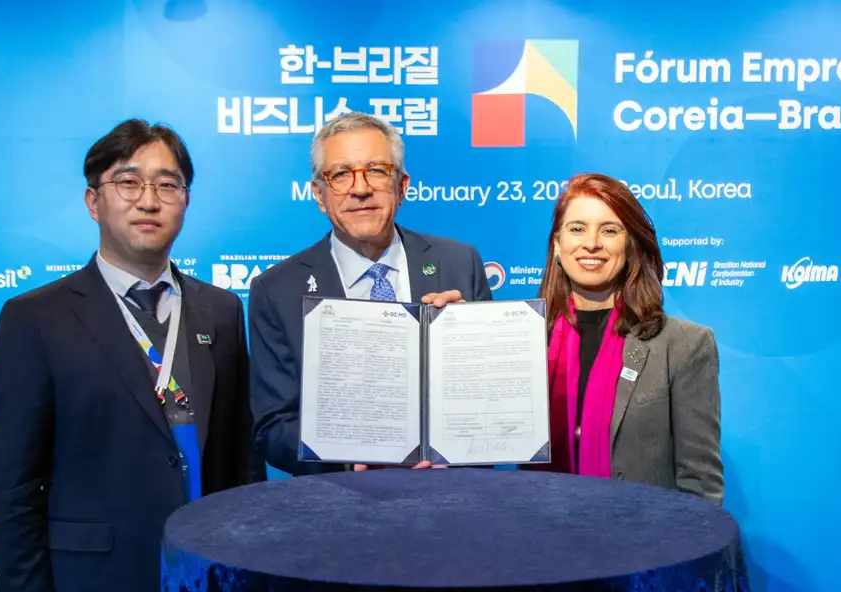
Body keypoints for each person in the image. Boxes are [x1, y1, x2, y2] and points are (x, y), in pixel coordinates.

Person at [0, 118, 264, 592]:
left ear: (185, 201)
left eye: (167, 184)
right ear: (94, 201)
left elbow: (242, 463)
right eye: (128, 182)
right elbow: (13, 487)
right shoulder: (36, 319)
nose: (148, 200)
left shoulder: (220, 311)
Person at [248, 111, 493, 476]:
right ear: (319, 195)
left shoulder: (460, 263)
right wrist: (348, 456)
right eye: (340, 174)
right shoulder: (277, 290)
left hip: (450, 494)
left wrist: (469, 347)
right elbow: (273, 426)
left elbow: (492, 399)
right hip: (343, 499)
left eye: (377, 170)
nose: (360, 188)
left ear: (402, 186)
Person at [528, 173, 723, 504]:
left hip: (644, 534)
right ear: (558, 245)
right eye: (577, 228)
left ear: (631, 245)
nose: (592, 243)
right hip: (538, 529)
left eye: (609, 230)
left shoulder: (684, 345)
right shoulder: (523, 341)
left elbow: (700, 486)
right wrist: (451, 331)